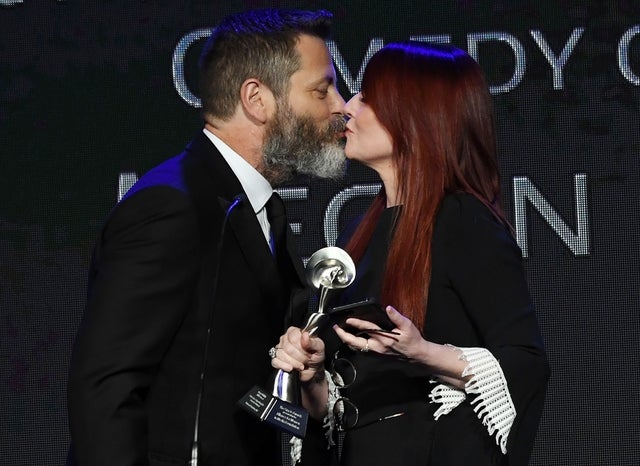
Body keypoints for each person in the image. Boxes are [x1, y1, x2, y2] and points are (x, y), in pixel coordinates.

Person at [66, 8, 346, 466]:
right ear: (257, 99)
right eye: (321, 89)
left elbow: (240, 386)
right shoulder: (172, 206)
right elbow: (107, 386)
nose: (340, 105)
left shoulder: (260, 209)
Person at [271, 41, 550, 466]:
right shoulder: (356, 234)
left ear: (416, 116)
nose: (348, 107)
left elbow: (526, 362)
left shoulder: (462, 220)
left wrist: (425, 354)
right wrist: (312, 378)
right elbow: (340, 406)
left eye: (369, 98)